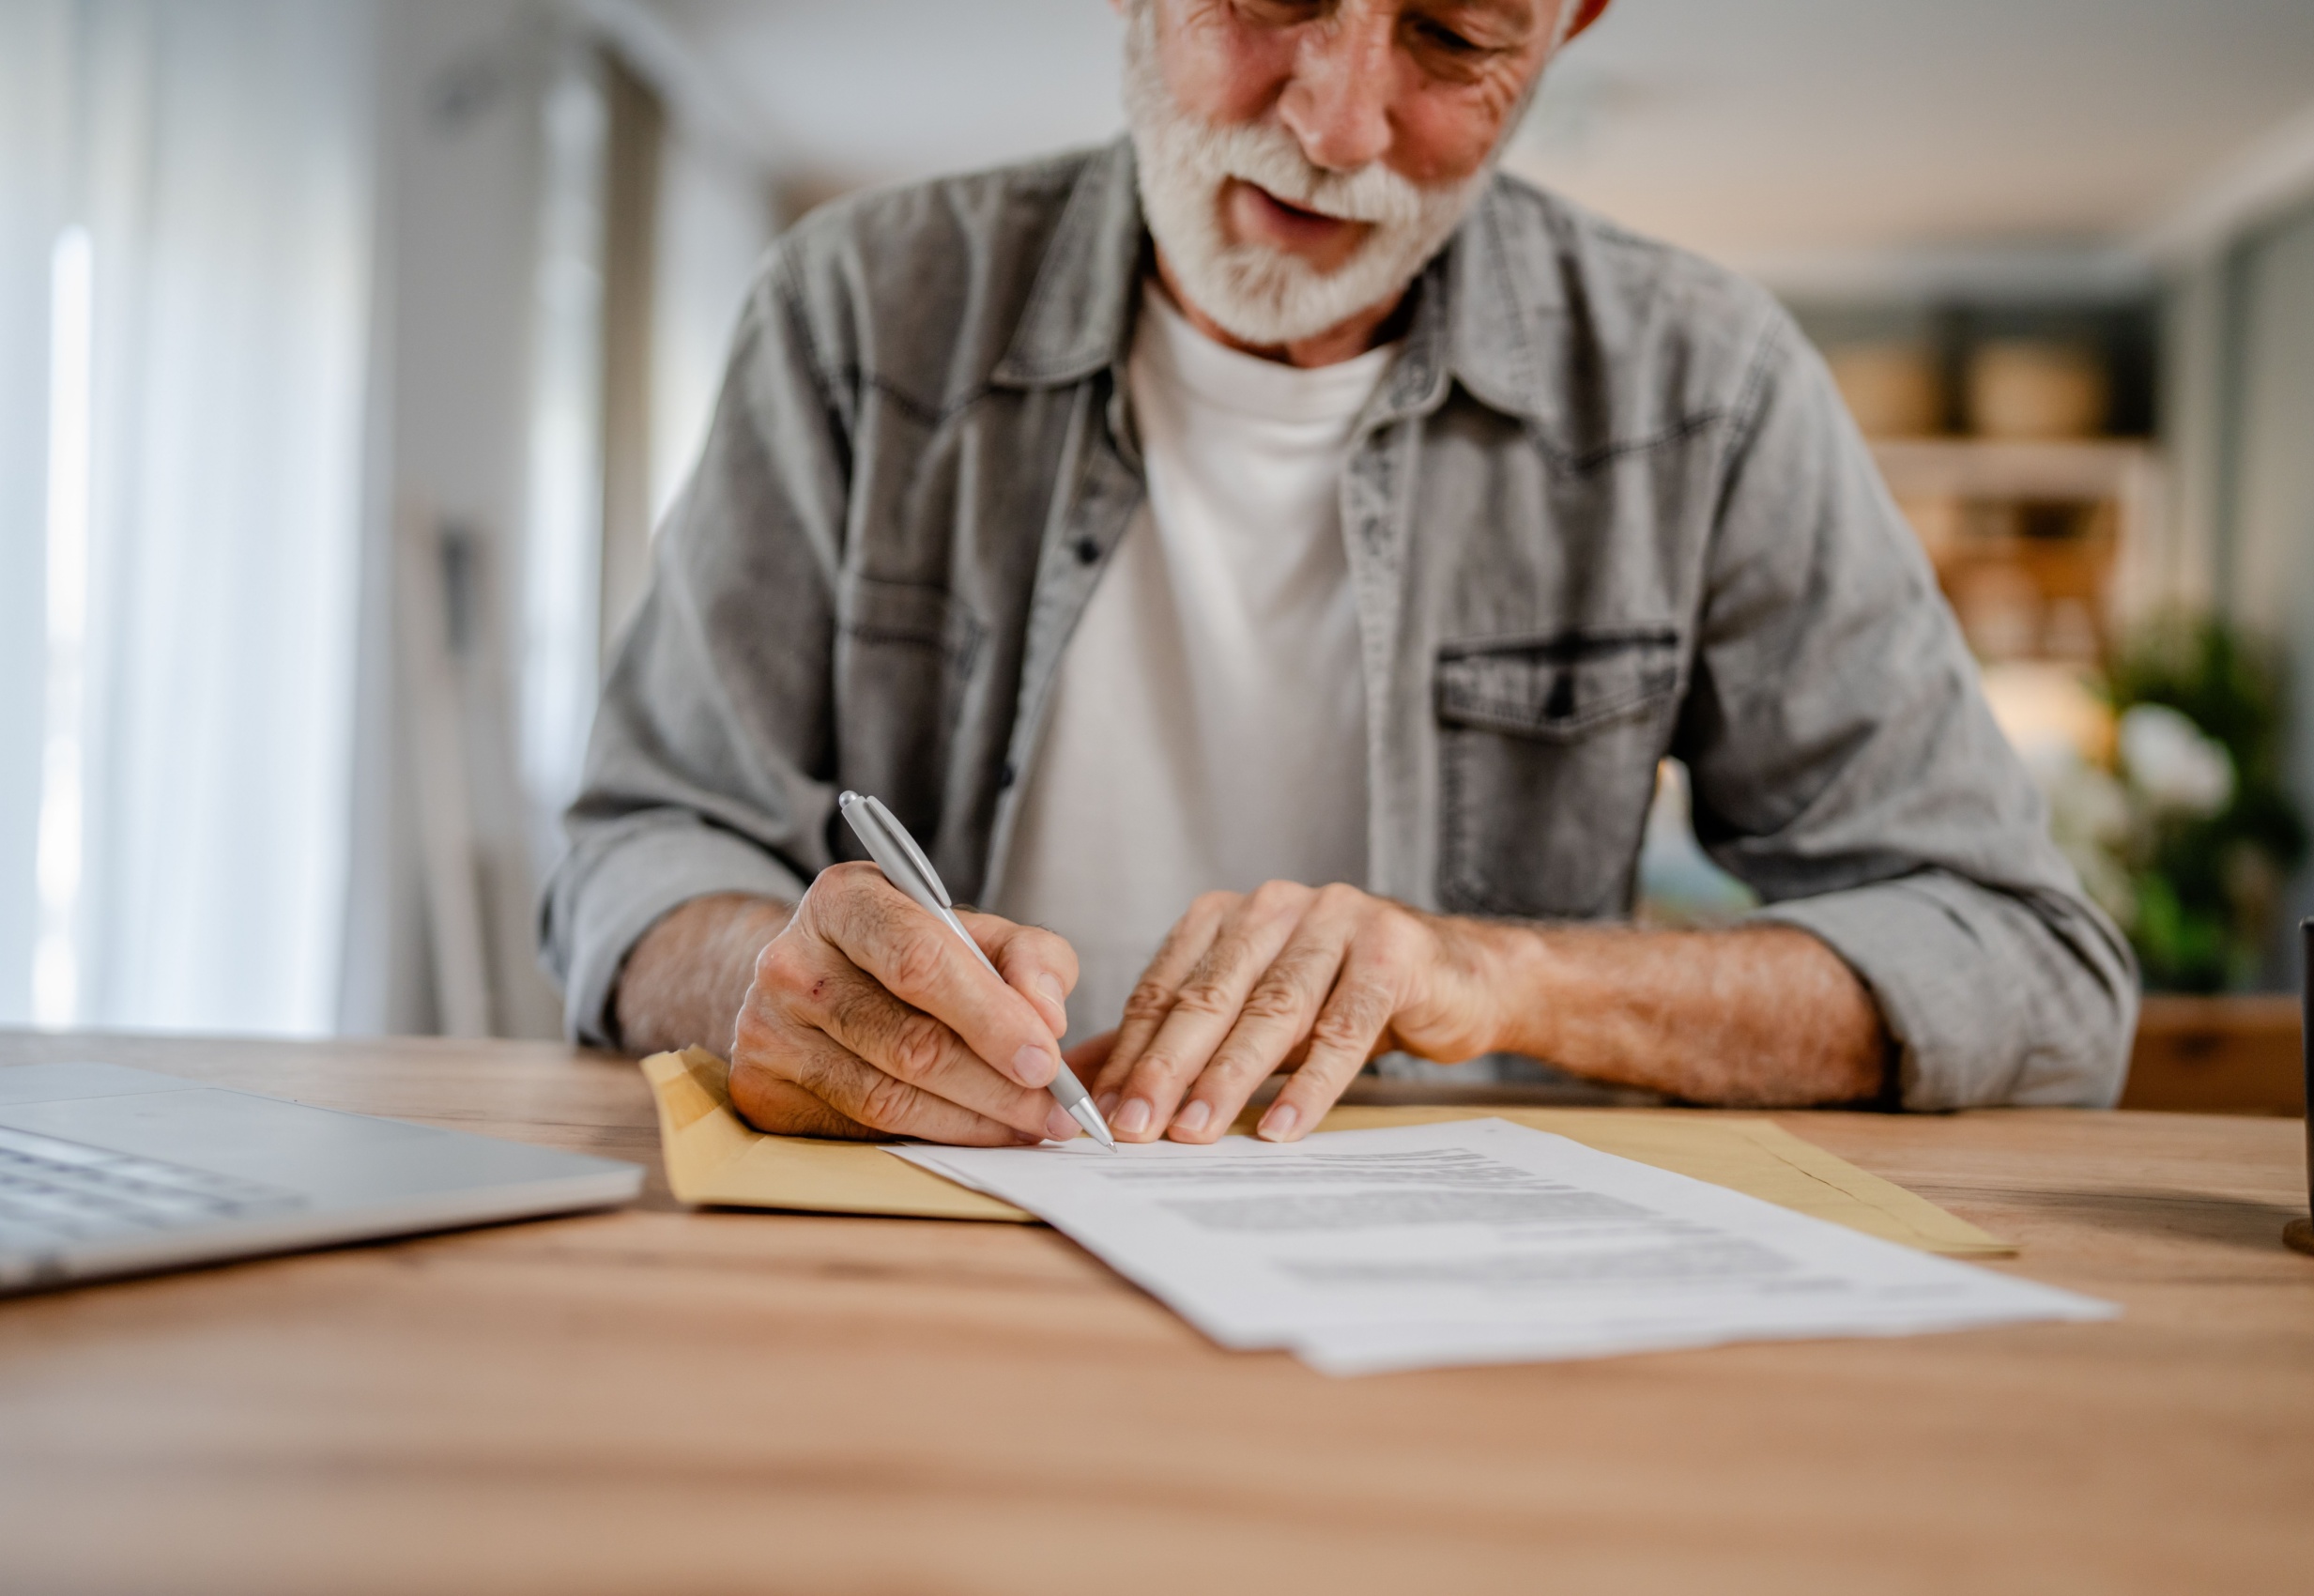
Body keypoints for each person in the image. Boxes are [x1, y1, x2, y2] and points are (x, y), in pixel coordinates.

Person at [541, 0, 2137, 1150]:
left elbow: (2036, 976)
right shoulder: (854, 314)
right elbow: (639, 844)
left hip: (1464, 1313)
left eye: (1451, 36)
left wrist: (1493, 976)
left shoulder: (1705, 388)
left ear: (1567, 33)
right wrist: (770, 979)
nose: (1336, 124)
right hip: (930, 1258)